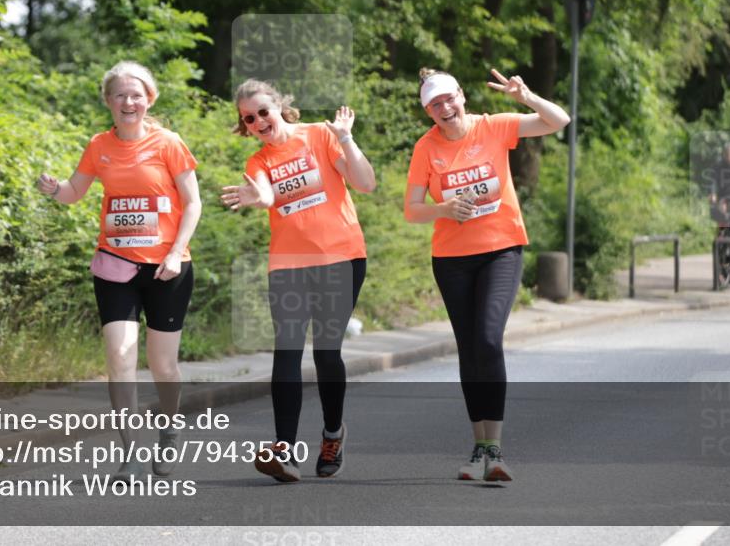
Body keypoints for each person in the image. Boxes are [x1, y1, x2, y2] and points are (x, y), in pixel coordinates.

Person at [36, 61, 201, 479]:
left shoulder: (169, 143)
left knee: (162, 366)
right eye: (120, 95)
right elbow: (76, 191)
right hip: (115, 265)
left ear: (149, 100)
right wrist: (56, 189)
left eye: (136, 95)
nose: (129, 102)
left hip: (168, 268)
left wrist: (175, 251)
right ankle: (129, 449)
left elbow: (193, 203)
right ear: (108, 101)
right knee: (119, 357)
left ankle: (168, 434)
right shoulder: (99, 145)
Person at [404, 67, 570, 482]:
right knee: (468, 349)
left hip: (501, 249)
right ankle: (478, 447)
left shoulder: (493, 127)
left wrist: (527, 96)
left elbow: (559, 121)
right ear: (428, 112)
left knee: (487, 339)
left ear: (462, 96)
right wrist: (443, 209)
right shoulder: (426, 148)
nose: (445, 108)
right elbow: (412, 209)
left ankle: (493, 448)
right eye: (434, 104)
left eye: (449, 98)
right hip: (452, 258)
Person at [220, 79, 376, 482]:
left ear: (280, 107)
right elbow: (269, 196)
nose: (258, 122)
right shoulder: (258, 163)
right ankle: (284, 449)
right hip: (288, 265)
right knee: (287, 351)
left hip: (340, 257)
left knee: (326, 354)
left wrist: (346, 139)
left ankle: (332, 434)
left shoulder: (321, 136)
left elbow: (365, 183)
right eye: (249, 119)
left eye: (263, 112)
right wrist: (258, 198)